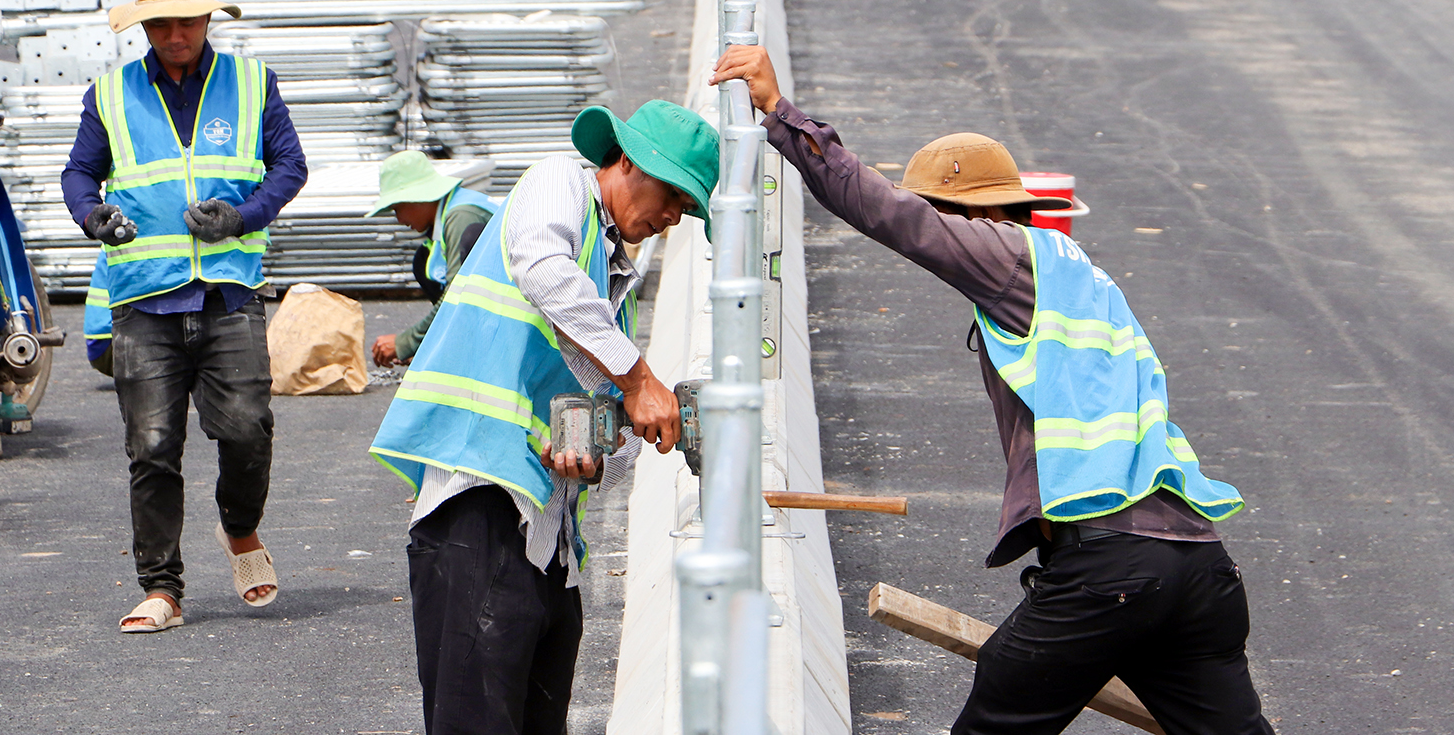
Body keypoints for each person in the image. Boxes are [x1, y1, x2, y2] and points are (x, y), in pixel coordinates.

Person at [711, 45, 1275, 735]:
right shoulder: (1083, 281)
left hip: (1112, 566)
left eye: (943, 218)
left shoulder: (1008, 257)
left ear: (967, 215)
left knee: (998, 709)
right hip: (1196, 564)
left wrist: (780, 112)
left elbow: (884, 211)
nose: (942, 238)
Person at [368, 100, 717, 735]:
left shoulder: (613, 291)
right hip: (478, 501)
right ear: (628, 161)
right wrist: (638, 379)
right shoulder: (558, 182)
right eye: (673, 195)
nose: (672, 217)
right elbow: (543, 271)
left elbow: (602, 411)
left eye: (686, 211)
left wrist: (598, 455)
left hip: (547, 531)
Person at [61, 0, 309, 634]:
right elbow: (80, 174)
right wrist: (94, 216)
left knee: (247, 428)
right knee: (152, 446)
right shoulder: (109, 95)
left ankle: (240, 527)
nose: (177, 33)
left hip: (228, 294)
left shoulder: (252, 83)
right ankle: (162, 587)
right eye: (163, 22)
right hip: (144, 300)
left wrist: (245, 214)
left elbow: (290, 164)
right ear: (145, 26)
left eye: (188, 21)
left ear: (207, 19)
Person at [366, 150, 496, 370]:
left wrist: (406, 343)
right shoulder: (452, 212)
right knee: (423, 261)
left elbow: (457, 297)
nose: (399, 219)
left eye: (397, 208)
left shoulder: (461, 217)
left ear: (417, 198)